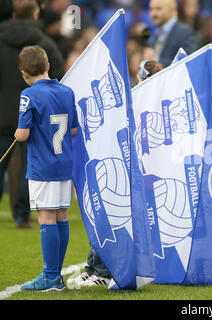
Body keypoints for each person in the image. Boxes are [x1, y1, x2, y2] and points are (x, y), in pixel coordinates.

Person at [68, 59, 165, 288]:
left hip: (130, 173)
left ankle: (102, 271)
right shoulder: (142, 100)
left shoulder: (141, 100)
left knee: (112, 218)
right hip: (132, 171)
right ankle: (93, 268)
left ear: (142, 76)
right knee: (107, 216)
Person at [15, 46, 77, 291]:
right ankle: (56, 275)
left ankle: (51, 276)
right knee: (61, 216)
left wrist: (20, 132)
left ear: (23, 73)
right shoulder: (67, 91)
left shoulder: (28, 95)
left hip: (43, 165)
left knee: (47, 218)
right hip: (64, 163)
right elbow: (72, 129)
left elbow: (22, 134)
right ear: (48, 66)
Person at [0, 0, 65, 229]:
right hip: (38, 120)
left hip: (2, 117)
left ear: (15, 14)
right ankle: (22, 215)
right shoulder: (45, 44)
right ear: (36, 15)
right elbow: (58, 76)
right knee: (31, 167)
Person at [148, 0, 198, 67]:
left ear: (172, 10)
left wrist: (155, 60)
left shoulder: (185, 32)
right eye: (151, 9)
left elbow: (188, 64)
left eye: (158, 8)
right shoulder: (157, 32)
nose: (153, 14)